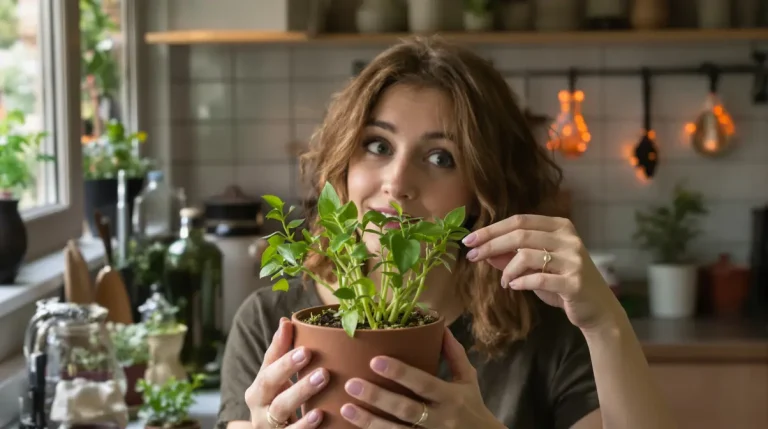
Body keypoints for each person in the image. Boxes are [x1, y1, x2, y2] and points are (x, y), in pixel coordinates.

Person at [216, 36, 676, 429]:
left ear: (484, 189)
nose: (397, 182)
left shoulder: (546, 330)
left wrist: (607, 323)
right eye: (377, 145)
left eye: (441, 158)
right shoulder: (272, 324)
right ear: (343, 162)